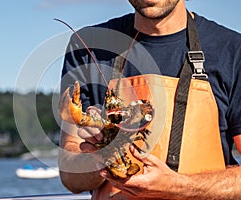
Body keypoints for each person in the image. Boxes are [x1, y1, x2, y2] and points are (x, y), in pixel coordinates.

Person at [58, 0, 241, 199]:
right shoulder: (88, 46)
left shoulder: (232, 51)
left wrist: (178, 186)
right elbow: (71, 178)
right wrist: (103, 155)